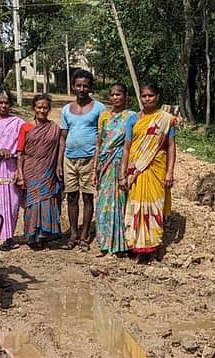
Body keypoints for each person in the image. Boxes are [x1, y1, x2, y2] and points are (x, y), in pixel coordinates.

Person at [121, 84, 177, 263]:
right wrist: (123, 173)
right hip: (136, 169)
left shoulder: (165, 120)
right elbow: (127, 148)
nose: (147, 99)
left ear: (157, 96)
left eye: (150, 96)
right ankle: (137, 247)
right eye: (144, 96)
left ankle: (153, 247)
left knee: (154, 208)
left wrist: (169, 172)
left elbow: (171, 146)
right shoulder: (132, 119)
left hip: (156, 169)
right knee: (136, 207)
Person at [58, 69, 105, 250]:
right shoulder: (66, 110)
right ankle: (73, 234)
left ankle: (85, 235)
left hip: (89, 159)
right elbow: (63, 137)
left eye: (85, 85)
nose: (82, 89)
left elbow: (102, 135)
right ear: (73, 87)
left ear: (90, 87)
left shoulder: (99, 108)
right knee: (71, 197)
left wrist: (97, 161)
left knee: (87, 197)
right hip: (69, 159)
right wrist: (59, 162)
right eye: (78, 85)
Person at [94, 83, 136, 256]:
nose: (115, 98)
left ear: (125, 96)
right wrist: (95, 167)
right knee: (103, 204)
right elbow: (99, 142)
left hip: (120, 163)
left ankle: (120, 245)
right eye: (112, 95)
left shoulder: (132, 116)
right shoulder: (103, 116)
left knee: (120, 202)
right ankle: (104, 243)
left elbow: (131, 143)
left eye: (118, 94)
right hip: (104, 163)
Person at [17, 95, 63, 249]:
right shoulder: (26, 127)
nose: (42, 110)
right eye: (39, 107)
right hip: (30, 168)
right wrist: (20, 173)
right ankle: (32, 235)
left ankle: (45, 234)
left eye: (45, 107)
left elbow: (59, 148)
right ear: (33, 108)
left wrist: (58, 166)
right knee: (33, 202)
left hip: (48, 168)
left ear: (49, 109)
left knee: (46, 200)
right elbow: (20, 152)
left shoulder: (54, 128)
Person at [0, 89, 26, 250]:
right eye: (0, 102)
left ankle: (8, 237)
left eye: (6, 103)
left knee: (12, 202)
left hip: (11, 166)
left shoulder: (17, 122)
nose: (3, 105)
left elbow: (25, 140)